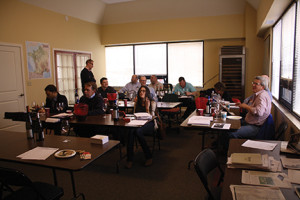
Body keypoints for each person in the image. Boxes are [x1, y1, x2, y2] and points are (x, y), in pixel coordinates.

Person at [126, 86, 156, 169]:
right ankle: (130, 159)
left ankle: (148, 156)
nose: (141, 92)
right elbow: (135, 114)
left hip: (149, 123)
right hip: (138, 123)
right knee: (131, 131)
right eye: (140, 91)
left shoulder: (152, 102)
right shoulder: (137, 102)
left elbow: (152, 117)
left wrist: (147, 108)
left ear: (147, 92)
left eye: (143, 91)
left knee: (138, 131)